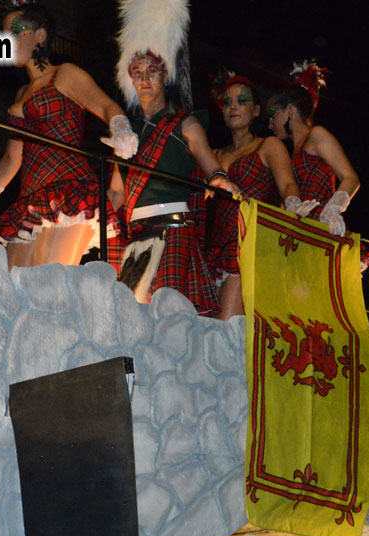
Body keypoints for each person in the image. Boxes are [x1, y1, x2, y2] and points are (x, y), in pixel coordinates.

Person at [0, 3, 138, 269]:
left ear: (40, 36)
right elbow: (12, 159)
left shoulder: (64, 74)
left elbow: (106, 107)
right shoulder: (21, 93)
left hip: (69, 190)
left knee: (49, 280)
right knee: (16, 283)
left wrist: (122, 129)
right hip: (32, 197)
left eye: (15, 33)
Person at [104, 1, 230, 314]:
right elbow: (117, 193)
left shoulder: (185, 123)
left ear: (165, 75)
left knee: (168, 314)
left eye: (152, 72)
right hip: (135, 236)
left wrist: (219, 179)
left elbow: (212, 167)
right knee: (131, 317)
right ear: (130, 79)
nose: (145, 79)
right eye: (137, 73)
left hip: (173, 228)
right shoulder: (125, 132)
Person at [206, 72, 301, 320]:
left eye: (242, 101)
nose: (233, 107)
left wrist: (294, 208)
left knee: (226, 326)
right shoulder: (213, 155)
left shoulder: (268, 145)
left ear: (256, 110)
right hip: (215, 250)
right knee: (209, 327)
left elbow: (288, 185)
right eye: (227, 102)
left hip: (249, 246)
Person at [266, 60, 360, 238]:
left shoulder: (316, 135)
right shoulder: (289, 155)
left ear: (289, 110)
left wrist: (333, 208)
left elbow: (350, 178)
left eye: (273, 116)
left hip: (321, 231)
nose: (270, 125)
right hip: (297, 236)